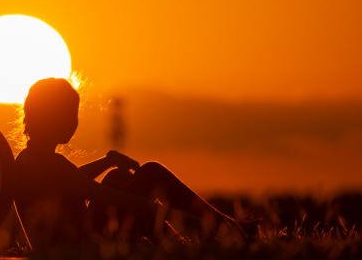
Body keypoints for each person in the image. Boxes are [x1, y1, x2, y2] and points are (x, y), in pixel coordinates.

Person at [15, 77, 237, 248]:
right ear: (52, 118)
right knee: (145, 174)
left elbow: (66, 182)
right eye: (70, 114)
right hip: (79, 250)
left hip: (71, 244)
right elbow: (110, 197)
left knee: (117, 176)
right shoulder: (51, 164)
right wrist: (186, 218)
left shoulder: (29, 158)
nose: (74, 122)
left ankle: (223, 226)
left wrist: (107, 161)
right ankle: (220, 228)